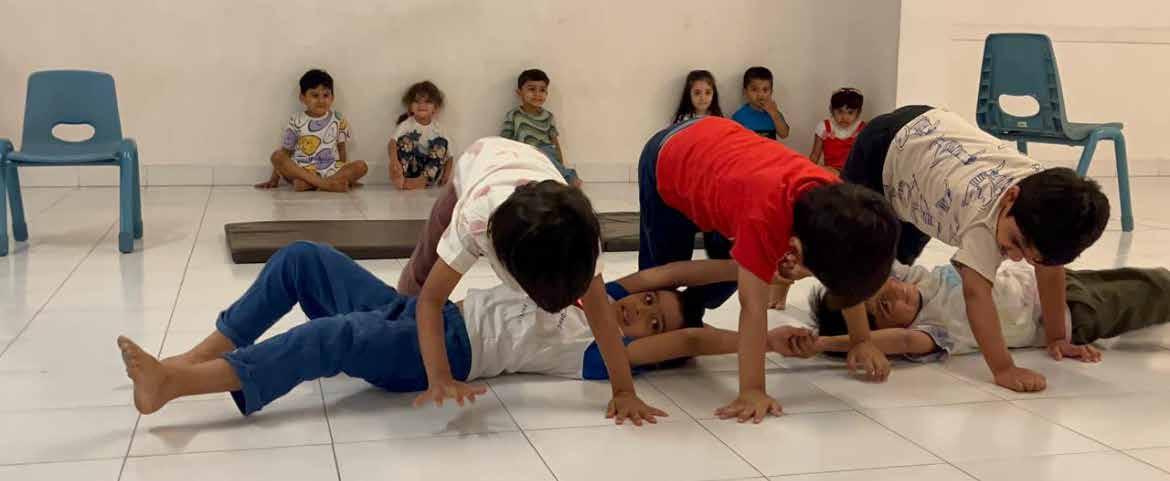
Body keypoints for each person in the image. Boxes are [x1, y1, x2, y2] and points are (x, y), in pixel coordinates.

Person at [117, 242, 767, 418]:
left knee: (330, 338)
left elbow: (690, 339)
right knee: (301, 258)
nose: (640, 312)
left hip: (441, 352)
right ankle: (190, 356)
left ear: (641, 346)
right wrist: (751, 266)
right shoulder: (593, 293)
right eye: (648, 302)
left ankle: (174, 385)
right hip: (423, 313)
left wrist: (763, 337)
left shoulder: (596, 354)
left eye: (650, 324)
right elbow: (671, 271)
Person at [637, 114, 900, 423]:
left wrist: (861, 340)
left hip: (719, 148)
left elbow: (846, 270)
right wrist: (752, 390)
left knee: (727, 278)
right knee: (661, 280)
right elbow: (753, 306)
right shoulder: (763, 216)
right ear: (797, 250)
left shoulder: (840, 203)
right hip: (667, 157)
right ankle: (643, 325)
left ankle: (689, 318)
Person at [838, 105, 1111, 392]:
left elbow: (1051, 270)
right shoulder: (984, 222)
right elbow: (976, 294)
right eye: (1015, 243)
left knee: (895, 264)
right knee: (856, 256)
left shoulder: (1047, 200)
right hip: (880, 152)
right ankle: (849, 325)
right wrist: (1004, 368)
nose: (1014, 256)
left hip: (925, 157)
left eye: (1029, 258)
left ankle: (871, 315)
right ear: (1010, 198)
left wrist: (1057, 338)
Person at [394, 136, 662, 425]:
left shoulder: (581, 242)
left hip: (532, 164)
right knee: (425, 265)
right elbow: (431, 301)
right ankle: (399, 299)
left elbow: (601, 317)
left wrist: (624, 391)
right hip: (478, 162)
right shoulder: (474, 223)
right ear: (505, 264)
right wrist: (440, 377)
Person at [802, 261, 1170, 364]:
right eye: (885, 308)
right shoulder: (932, 329)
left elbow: (860, 256)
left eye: (881, 290)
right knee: (1150, 298)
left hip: (1053, 281)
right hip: (1073, 316)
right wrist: (828, 343)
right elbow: (900, 341)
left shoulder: (913, 277)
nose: (892, 294)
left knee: (1147, 279)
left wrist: (809, 264)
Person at [255, 69, 368, 191]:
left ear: (332, 97)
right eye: (315, 95)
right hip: (301, 170)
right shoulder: (296, 120)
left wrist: (347, 174)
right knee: (277, 156)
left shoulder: (338, 119)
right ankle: (326, 184)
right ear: (302, 98)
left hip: (330, 168)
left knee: (361, 166)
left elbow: (341, 149)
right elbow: (286, 151)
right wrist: (274, 179)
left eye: (326, 95)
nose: (321, 100)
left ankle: (311, 184)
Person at [500, 69, 580, 187]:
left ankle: (566, 176)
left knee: (546, 155)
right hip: (524, 153)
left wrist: (560, 164)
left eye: (542, 90)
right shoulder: (514, 115)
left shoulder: (548, 116)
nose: (537, 94)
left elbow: (554, 142)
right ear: (519, 92)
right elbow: (504, 140)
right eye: (532, 89)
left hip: (546, 152)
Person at [389, 81, 453, 190]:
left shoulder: (438, 129)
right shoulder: (407, 124)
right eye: (417, 101)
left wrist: (446, 175)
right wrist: (394, 162)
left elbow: (450, 156)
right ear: (410, 106)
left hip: (429, 173)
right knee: (405, 140)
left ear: (435, 107)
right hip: (410, 168)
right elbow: (392, 142)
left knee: (441, 143)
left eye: (428, 102)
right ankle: (403, 177)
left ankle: (422, 181)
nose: (422, 105)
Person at [808, 88, 865, 175]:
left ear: (858, 113)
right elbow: (815, 156)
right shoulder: (824, 127)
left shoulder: (862, 129)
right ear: (831, 110)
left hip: (853, 173)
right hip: (831, 171)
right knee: (821, 170)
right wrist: (808, 172)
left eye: (850, 113)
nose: (844, 117)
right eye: (840, 111)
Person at [730, 66, 790, 140]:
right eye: (754, 89)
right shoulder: (739, 116)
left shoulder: (774, 113)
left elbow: (784, 134)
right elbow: (734, 141)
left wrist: (774, 114)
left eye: (765, 90)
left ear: (771, 92)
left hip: (770, 147)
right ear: (745, 92)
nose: (760, 95)